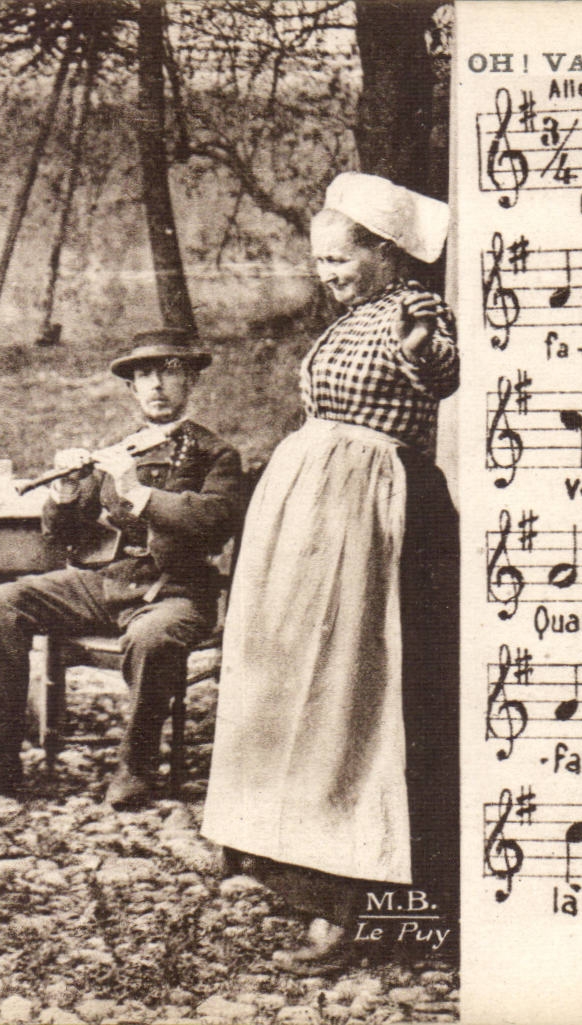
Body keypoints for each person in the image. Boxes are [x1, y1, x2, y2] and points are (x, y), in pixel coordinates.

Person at [200, 172, 460, 972]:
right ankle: (287, 861)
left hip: (375, 519)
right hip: (317, 525)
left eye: (342, 259)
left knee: (358, 694)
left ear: (385, 254)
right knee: (292, 689)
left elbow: (441, 374)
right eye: (319, 261)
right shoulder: (353, 316)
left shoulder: (414, 309)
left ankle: (357, 903)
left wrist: (422, 344)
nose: (329, 273)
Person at [0, 329, 244, 809]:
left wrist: (135, 490)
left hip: (176, 592)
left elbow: (213, 521)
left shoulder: (215, 454)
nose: (156, 384)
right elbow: (71, 537)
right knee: (5, 601)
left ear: (192, 383)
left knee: (152, 638)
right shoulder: (123, 448)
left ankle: (136, 768)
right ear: (131, 389)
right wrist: (66, 492)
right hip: (108, 583)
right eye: (144, 375)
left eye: (169, 372)